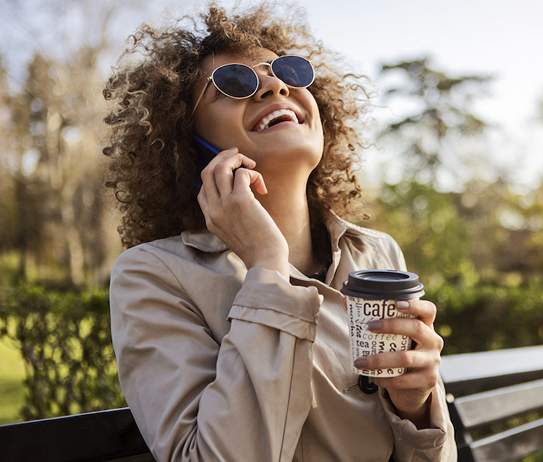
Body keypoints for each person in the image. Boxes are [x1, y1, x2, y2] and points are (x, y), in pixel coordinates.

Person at [103, 2, 457, 461]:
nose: (274, 84)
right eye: (234, 82)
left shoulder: (377, 253)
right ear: (187, 142)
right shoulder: (152, 276)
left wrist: (417, 407)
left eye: (288, 71)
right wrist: (268, 266)